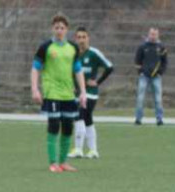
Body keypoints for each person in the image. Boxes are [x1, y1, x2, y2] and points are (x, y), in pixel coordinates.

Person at [30, 14, 87, 173]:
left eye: (62, 28)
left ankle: (63, 162)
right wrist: (35, 89)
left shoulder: (73, 48)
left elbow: (78, 70)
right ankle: (53, 163)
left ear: (67, 29)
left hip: (68, 94)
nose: (59, 30)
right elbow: (35, 68)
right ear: (52, 29)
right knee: (54, 126)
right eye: (57, 27)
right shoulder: (46, 47)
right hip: (52, 92)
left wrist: (83, 92)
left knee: (68, 128)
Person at [68, 27, 113, 160]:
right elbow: (70, 72)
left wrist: (98, 82)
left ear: (88, 38)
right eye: (79, 37)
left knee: (79, 116)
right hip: (77, 93)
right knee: (88, 119)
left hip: (90, 94)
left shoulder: (94, 53)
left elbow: (109, 67)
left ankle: (78, 149)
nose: (81, 40)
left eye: (84, 37)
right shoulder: (73, 54)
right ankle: (93, 150)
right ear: (75, 39)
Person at [134, 28, 166, 126]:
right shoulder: (142, 47)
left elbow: (164, 62)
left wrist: (160, 72)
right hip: (144, 76)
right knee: (140, 98)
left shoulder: (161, 47)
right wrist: (140, 72)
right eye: (151, 34)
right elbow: (137, 60)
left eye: (155, 34)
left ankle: (159, 119)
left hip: (156, 77)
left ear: (158, 35)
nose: (153, 36)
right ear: (148, 35)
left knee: (158, 99)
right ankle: (138, 119)